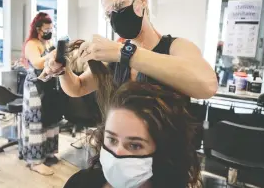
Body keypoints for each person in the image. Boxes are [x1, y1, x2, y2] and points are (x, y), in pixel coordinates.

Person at [41, 0, 217, 100]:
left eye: (119, 6)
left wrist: (124, 53)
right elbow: (78, 88)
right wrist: (63, 71)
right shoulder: (114, 57)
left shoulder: (176, 47)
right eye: (109, 14)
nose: (115, 17)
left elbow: (207, 86)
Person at [63, 81, 200, 188]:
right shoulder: (80, 183)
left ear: (162, 151)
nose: (117, 152)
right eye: (112, 139)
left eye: (135, 145)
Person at [20, 12, 61, 176]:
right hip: (35, 86)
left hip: (48, 85)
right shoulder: (32, 43)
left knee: (49, 119)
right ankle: (35, 161)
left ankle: (48, 153)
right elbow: (37, 62)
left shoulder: (46, 42)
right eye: (46, 29)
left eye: (51, 28)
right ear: (38, 28)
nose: (49, 31)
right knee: (36, 122)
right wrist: (53, 54)